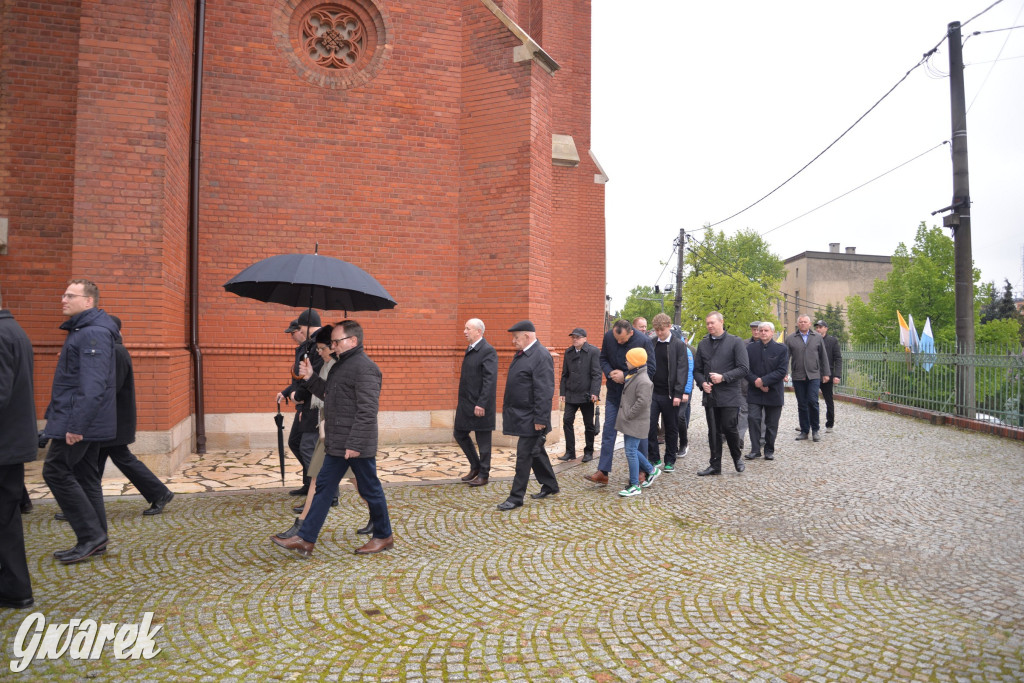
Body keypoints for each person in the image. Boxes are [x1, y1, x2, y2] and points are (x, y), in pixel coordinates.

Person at [271, 320, 393, 557]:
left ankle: (383, 535)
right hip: (338, 442)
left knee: (370, 489)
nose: (333, 345)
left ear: (353, 341)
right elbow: (329, 394)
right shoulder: (342, 365)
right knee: (324, 488)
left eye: (337, 341)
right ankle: (306, 539)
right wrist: (310, 377)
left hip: (354, 444)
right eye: (333, 342)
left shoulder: (365, 368)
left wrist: (355, 445)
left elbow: (367, 410)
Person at [42, 279, 119, 564]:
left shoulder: (91, 334)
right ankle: (96, 537)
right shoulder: (84, 331)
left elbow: (93, 384)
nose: (63, 299)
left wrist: (76, 425)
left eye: (70, 295)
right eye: (63, 294)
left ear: (89, 301)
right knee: (86, 477)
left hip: (80, 423)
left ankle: (90, 536)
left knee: (55, 471)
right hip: (85, 420)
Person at [276, 325, 351, 539]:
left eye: (321, 349)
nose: (318, 352)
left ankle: (380, 521)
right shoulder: (328, 367)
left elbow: (342, 402)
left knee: (364, 483)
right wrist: (308, 377)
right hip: (326, 428)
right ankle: (303, 531)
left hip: (339, 433)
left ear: (333, 347)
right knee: (317, 478)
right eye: (316, 349)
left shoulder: (342, 368)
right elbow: (323, 393)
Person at [95, 316, 175, 516]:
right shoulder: (113, 350)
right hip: (110, 420)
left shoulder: (116, 352)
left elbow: (111, 387)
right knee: (94, 463)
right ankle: (81, 505)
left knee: (117, 459)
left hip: (114, 421)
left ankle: (160, 493)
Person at [496, 321, 559, 510]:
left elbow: (544, 390)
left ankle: (516, 497)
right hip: (523, 414)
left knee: (524, 456)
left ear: (527, 336)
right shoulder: (524, 353)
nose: (513, 341)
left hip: (532, 417)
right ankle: (550, 485)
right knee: (536, 452)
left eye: (516, 337)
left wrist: (540, 419)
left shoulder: (540, 355)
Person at [0, 289, 37, 607]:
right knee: (7, 518)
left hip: (4, 444)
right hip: (10, 443)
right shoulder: (15, 330)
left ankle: (15, 588)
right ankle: (15, 588)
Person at [586, 320, 654, 485]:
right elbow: (603, 359)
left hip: (633, 397)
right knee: (608, 432)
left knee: (637, 434)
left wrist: (625, 376)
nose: (618, 342)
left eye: (622, 340)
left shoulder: (643, 341)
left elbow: (650, 370)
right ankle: (603, 471)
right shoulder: (610, 336)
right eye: (616, 339)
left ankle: (642, 472)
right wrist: (610, 373)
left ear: (631, 333)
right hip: (614, 395)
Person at [692, 311, 749, 476]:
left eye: (712, 323)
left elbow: (744, 369)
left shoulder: (735, 342)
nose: (709, 326)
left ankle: (737, 458)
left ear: (721, 322)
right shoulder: (703, 344)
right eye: (707, 323)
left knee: (729, 427)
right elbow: (697, 370)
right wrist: (702, 383)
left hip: (730, 394)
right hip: (710, 395)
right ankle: (715, 465)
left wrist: (724, 377)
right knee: (714, 430)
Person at [276, 310, 323, 497]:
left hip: (312, 404)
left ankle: (324, 490)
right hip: (304, 402)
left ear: (302, 330)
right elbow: (299, 380)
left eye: (293, 332)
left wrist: (298, 396)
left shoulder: (314, 348)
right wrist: (288, 392)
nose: (292, 336)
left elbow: (311, 379)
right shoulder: (305, 349)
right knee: (297, 443)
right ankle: (310, 484)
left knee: (308, 448)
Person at [454, 319, 497, 487]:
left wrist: (482, 403)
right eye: (465, 328)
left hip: (480, 406)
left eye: (468, 329)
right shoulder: (471, 349)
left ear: (478, 331)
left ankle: (484, 474)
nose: (464, 331)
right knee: (459, 433)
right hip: (466, 404)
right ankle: (476, 466)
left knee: (484, 442)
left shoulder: (488, 351)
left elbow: (490, 380)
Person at [646, 313, 691, 473]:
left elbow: (682, 370)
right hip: (653, 393)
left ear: (669, 326)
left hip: (671, 394)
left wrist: (678, 393)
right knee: (650, 426)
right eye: (657, 330)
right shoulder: (651, 343)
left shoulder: (678, 345)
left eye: (662, 330)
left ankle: (670, 459)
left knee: (671, 428)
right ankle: (654, 457)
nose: (659, 333)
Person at [615, 348, 662, 497]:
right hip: (632, 421)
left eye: (628, 359)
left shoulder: (643, 380)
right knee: (632, 450)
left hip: (635, 421)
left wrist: (629, 414)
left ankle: (635, 485)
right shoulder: (635, 375)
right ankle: (651, 470)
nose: (625, 361)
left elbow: (643, 402)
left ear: (635, 362)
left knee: (630, 451)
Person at [744, 322, 789, 461]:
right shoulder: (750, 348)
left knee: (772, 423)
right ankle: (755, 449)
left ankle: (769, 450)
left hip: (773, 391)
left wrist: (764, 381)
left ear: (772, 333)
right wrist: (757, 382)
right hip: (755, 390)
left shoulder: (781, 349)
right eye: (760, 330)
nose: (763, 333)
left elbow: (782, 371)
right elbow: (745, 369)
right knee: (753, 419)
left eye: (766, 330)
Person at [558, 327, 601, 463]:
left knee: (589, 424)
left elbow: (596, 374)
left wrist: (595, 392)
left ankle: (589, 451)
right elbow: (564, 374)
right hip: (571, 394)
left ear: (584, 339)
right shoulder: (568, 352)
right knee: (567, 421)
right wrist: (562, 392)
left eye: (577, 337)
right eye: (573, 337)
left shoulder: (593, 351)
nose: (575, 339)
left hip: (586, 395)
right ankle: (570, 452)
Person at [785, 315, 830, 442]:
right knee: (802, 404)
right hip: (798, 375)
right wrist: (784, 372)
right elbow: (785, 357)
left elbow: (823, 357)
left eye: (805, 322)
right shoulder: (791, 339)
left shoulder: (817, 337)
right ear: (797, 324)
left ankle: (815, 429)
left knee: (813, 401)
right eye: (801, 322)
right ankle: (805, 430)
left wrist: (826, 373)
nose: (803, 324)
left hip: (814, 374)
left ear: (809, 324)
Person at [815, 320, 842, 433]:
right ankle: (808, 423)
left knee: (828, 400)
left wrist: (837, 375)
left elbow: (838, 358)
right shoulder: (813, 339)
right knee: (809, 400)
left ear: (826, 328)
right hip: (813, 374)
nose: (818, 329)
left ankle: (830, 424)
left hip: (828, 374)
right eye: (817, 327)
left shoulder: (832, 341)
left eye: (820, 327)